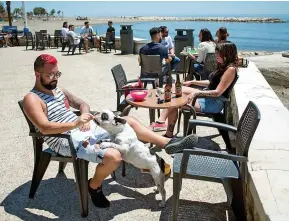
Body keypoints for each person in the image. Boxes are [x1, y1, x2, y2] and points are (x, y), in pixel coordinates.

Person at [23, 54, 198, 208]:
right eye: (50, 75)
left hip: (82, 128)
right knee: (114, 156)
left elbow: (82, 103)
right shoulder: (32, 99)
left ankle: (169, 144)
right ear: (37, 75)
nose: (55, 78)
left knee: (128, 121)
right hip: (65, 139)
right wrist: (75, 124)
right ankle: (94, 186)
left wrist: (84, 115)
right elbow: (44, 128)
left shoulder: (58, 90)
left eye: (57, 74)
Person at [150, 42, 238, 137]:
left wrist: (196, 93)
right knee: (176, 89)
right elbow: (211, 82)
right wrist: (192, 82)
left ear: (227, 53)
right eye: (216, 52)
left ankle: (162, 124)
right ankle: (164, 125)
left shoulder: (230, 70)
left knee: (175, 100)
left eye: (218, 53)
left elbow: (217, 93)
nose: (216, 55)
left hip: (214, 102)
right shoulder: (224, 66)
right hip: (206, 95)